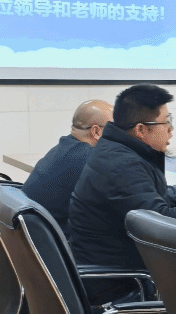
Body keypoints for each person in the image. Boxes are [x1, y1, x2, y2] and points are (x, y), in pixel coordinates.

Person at [68, 84, 176, 287]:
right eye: (166, 122)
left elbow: (141, 202)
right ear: (141, 130)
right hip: (120, 280)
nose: (170, 130)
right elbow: (159, 224)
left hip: (116, 262)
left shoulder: (117, 150)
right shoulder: (122, 164)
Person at [21, 99, 113, 231]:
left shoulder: (65, 147)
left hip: (32, 235)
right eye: (116, 128)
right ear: (96, 131)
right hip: (56, 239)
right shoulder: (89, 160)